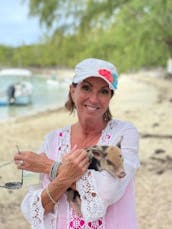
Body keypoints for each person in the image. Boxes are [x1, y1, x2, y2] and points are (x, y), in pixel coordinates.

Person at [14, 58, 140, 229]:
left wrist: (48, 167)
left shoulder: (124, 134)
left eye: (103, 91)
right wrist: (66, 178)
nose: (94, 99)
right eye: (86, 88)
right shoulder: (51, 140)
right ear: (73, 91)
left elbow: (106, 191)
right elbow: (32, 209)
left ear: (110, 97)